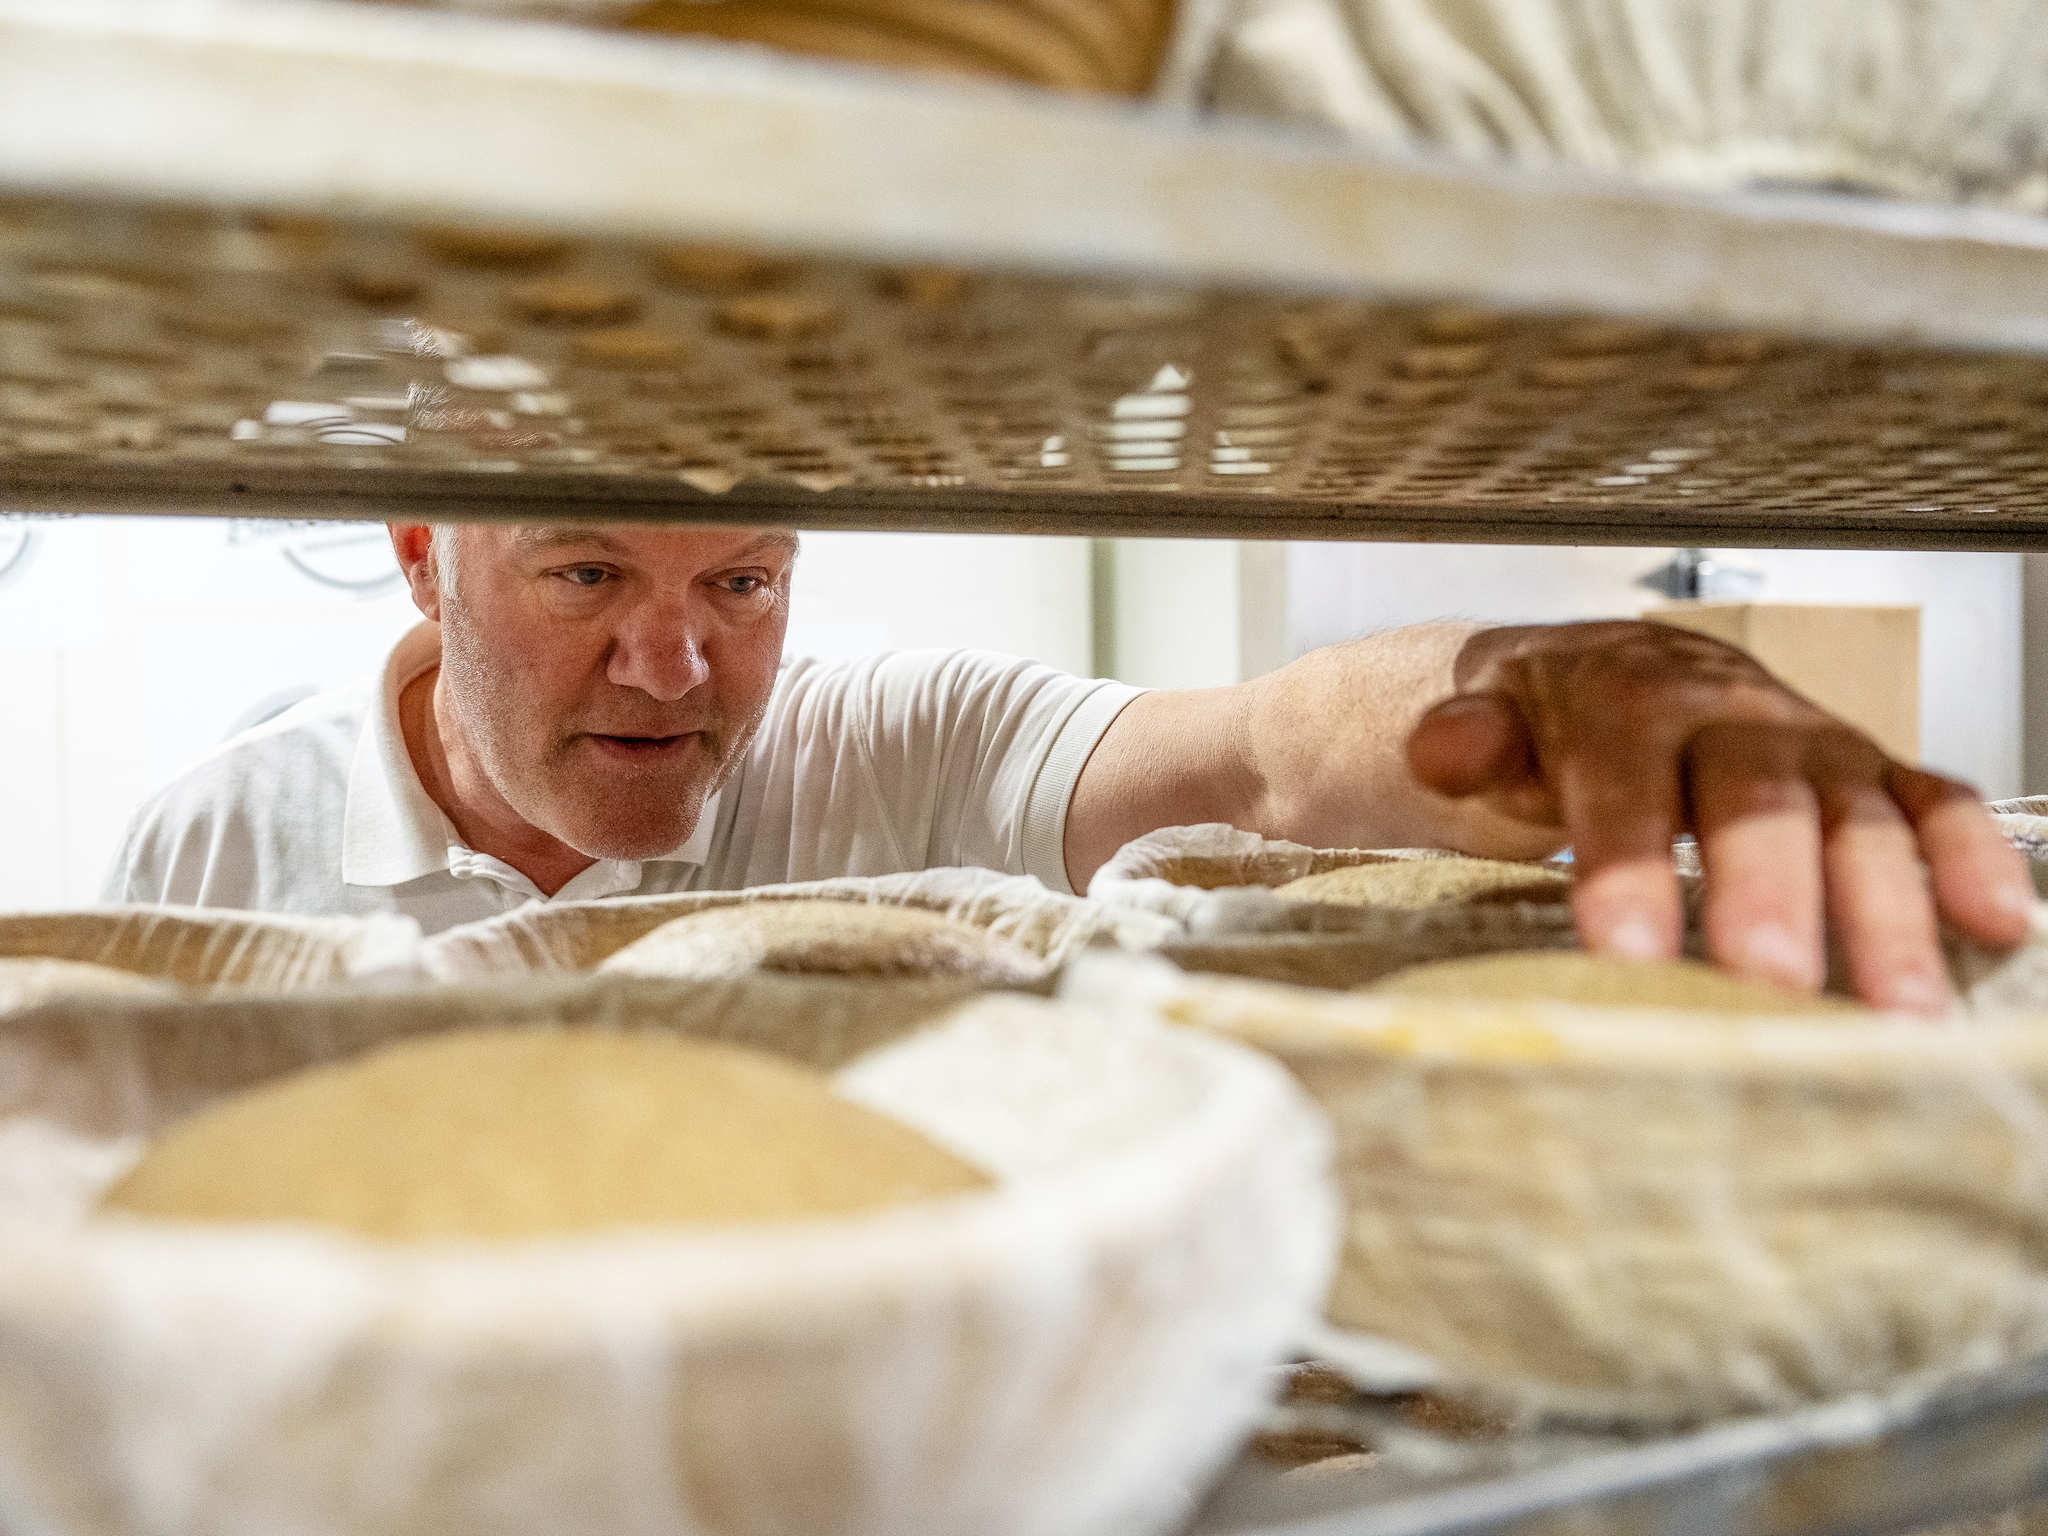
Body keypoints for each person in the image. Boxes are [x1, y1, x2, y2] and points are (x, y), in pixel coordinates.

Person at [103, 522, 2031, 1013]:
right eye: (588, 573)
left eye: (746, 580)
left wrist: (1554, 675)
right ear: (424, 558)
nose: (682, 664)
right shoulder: (219, 836)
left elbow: (1269, 759)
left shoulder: (887, 734)